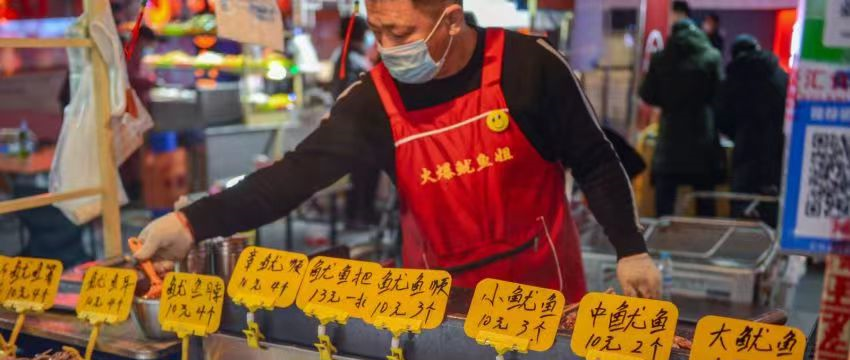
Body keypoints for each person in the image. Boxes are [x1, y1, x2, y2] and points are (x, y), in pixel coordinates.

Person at [135, 0, 661, 300]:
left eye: (400, 31)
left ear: (451, 19)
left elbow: (595, 161)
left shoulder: (531, 67)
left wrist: (630, 248)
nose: (386, 46)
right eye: (377, 31)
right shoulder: (372, 101)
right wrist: (188, 225)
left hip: (542, 297)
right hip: (435, 305)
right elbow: (293, 177)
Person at [639, 0, 724, 218]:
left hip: (671, 138)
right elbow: (720, 96)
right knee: (704, 200)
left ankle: (661, 245)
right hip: (702, 137)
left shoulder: (661, 59)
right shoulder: (712, 57)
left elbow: (647, 93)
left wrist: (668, 100)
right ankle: (706, 246)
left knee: (664, 203)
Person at [715, 35, 788, 227]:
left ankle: (739, 240)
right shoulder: (780, 74)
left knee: (742, 198)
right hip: (777, 146)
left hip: (746, 146)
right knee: (772, 195)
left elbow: (721, 115)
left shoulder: (734, 77)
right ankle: (771, 238)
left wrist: (738, 133)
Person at [331, 15, 381, 227]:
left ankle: (360, 214)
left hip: (357, 127)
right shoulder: (349, 59)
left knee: (362, 175)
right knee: (363, 175)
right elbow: (353, 94)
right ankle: (359, 215)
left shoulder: (347, 56)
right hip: (359, 129)